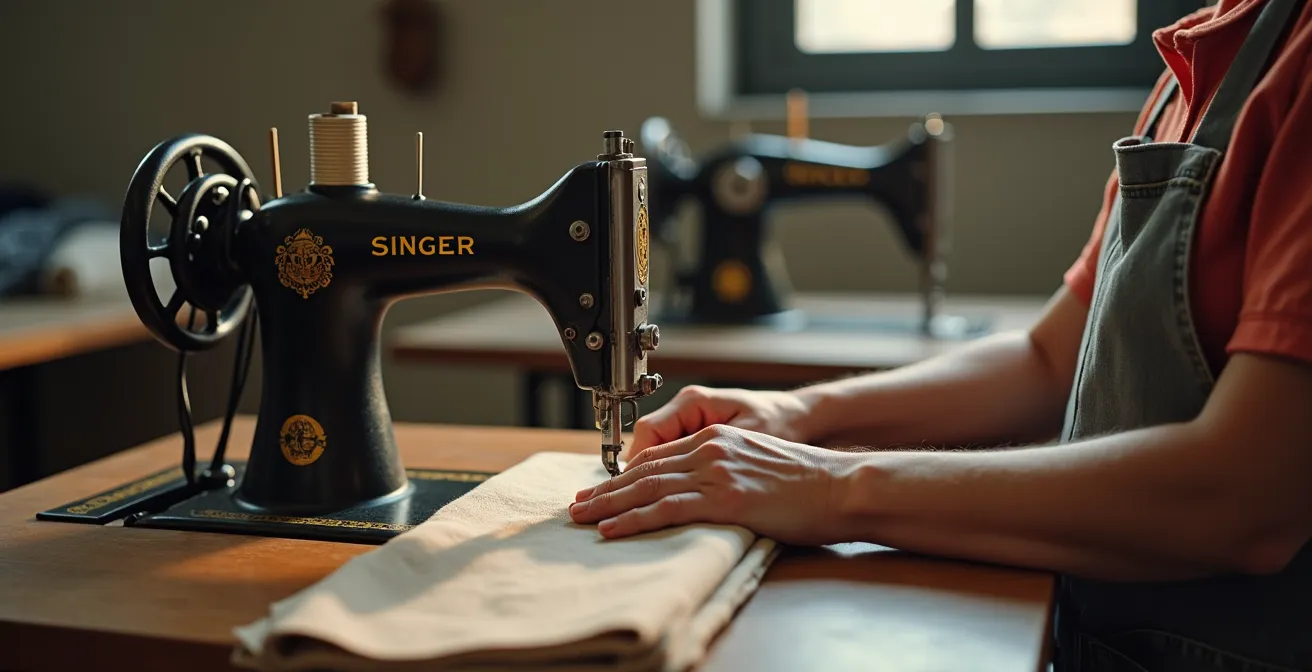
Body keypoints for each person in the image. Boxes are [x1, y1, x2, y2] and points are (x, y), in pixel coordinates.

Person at [568, 0, 1312, 670]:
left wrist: (823, 484)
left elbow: (1246, 495)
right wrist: (801, 416)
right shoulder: (1201, 57)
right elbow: (1048, 359)